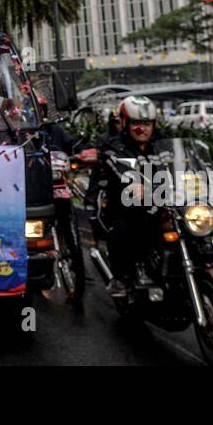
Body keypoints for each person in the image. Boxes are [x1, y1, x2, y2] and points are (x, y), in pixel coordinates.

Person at [92, 95, 162, 300]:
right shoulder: (115, 147)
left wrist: (212, 178)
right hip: (125, 206)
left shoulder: (162, 143)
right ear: (125, 123)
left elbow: (183, 161)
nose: (143, 129)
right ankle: (121, 277)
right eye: (137, 123)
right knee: (124, 228)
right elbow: (120, 168)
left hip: (162, 202)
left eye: (147, 123)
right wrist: (135, 183)